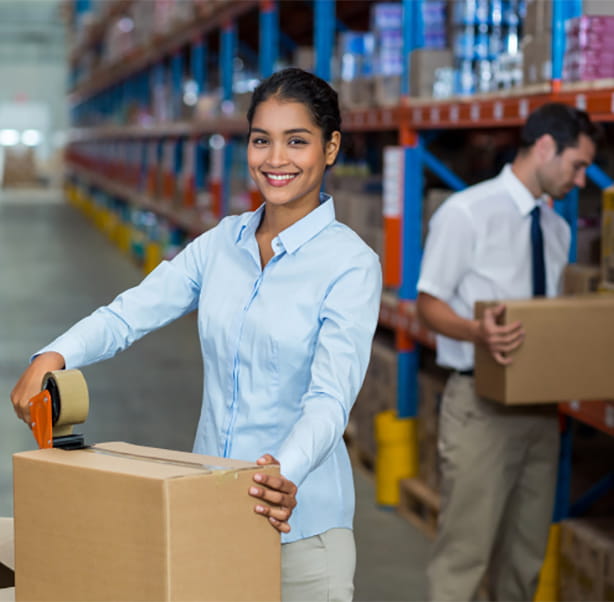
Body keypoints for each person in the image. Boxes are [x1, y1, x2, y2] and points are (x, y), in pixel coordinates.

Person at [11, 67, 382, 602]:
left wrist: (286, 471)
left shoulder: (349, 265)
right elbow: (129, 313)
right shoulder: (222, 243)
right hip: (207, 507)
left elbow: (330, 398)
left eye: (296, 141)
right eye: (262, 140)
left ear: (330, 148)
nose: (275, 159)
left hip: (298, 525)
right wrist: (54, 353)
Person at [416, 102, 599, 601]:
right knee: (464, 557)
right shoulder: (468, 213)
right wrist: (478, 331)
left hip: (540, 415)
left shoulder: (557, 231)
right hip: (480, 410)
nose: (581, 180)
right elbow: (426, 305)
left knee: (524, 559)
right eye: (577, 164)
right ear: (544, 147)